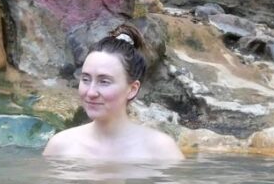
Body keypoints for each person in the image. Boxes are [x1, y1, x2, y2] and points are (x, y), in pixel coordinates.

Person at [43, 24, 183, 161]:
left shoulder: (162, 152)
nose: (91, 92)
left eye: (104, 81)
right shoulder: (60, 146)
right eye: (85, 79)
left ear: (132, 89)